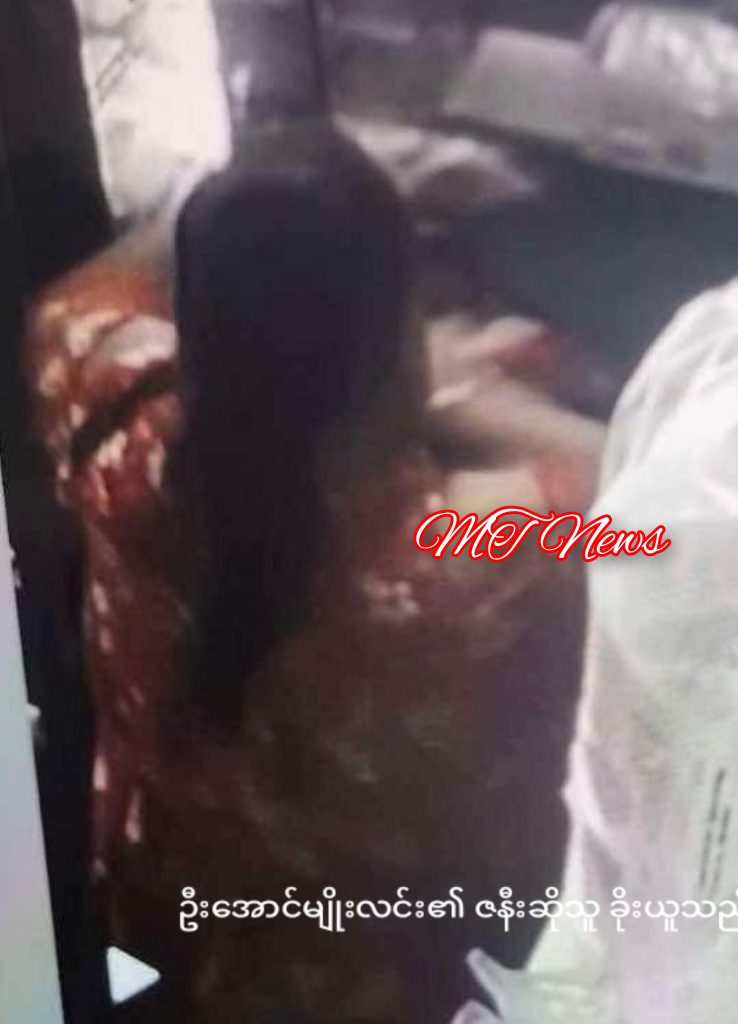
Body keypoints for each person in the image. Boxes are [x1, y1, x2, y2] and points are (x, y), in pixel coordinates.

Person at [27, 128, 604, 1023]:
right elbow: (646, 495)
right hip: (375, 992)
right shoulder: (461, 569)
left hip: (164, 930)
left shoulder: (116, 422)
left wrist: (252, 195)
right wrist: (482, 404)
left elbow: (78, 302)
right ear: (398, 349)